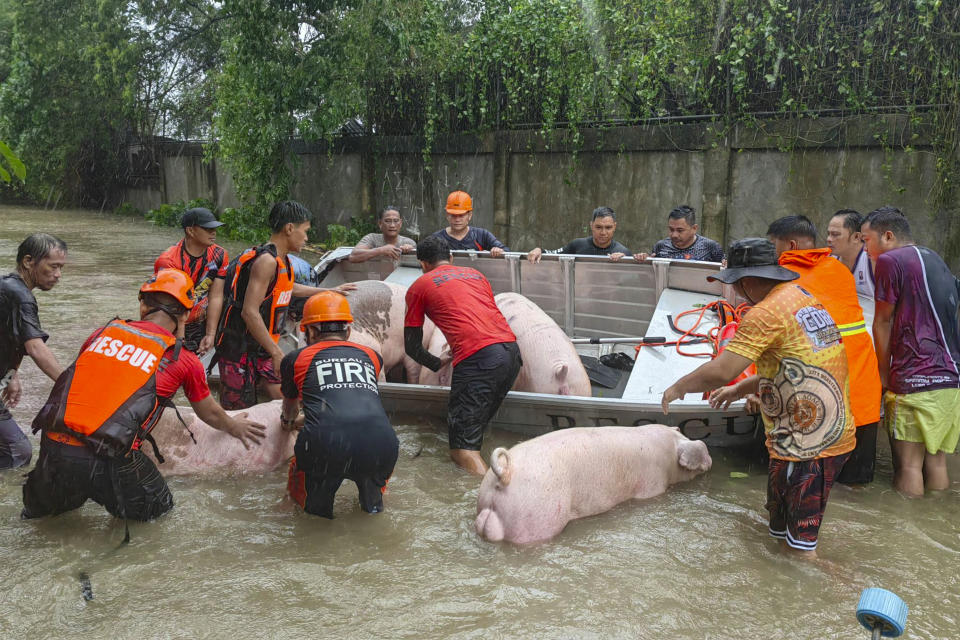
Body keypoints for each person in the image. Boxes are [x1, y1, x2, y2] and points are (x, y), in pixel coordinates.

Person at [663, 238, 855, 558]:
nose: (736, 293)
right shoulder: (802, 297)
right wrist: (741, 390)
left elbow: (723, 369)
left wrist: (679, 386)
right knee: (779, 535)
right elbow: (793, 365)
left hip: (810, 446)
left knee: (800, 553)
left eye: (736, 285)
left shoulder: (765, 313)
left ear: (749, 281)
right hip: (807, 434)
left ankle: (836, 590)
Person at [22, 269, 265, 521]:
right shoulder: (182, 359)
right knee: (157, 513)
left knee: (43, 519)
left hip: (52, 446)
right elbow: (209, 412)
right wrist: (235, 427)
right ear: (186, 315)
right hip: (107, 457)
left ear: (142, 305)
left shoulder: (102, 334)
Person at [766, 215, 882, 485]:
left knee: (807, 487)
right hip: (863, 397)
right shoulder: (840, 270)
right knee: (855, 488)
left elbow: (768, 341)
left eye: (772, 246)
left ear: (790, 245)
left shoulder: (784, 279)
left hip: (820, 404)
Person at [213, 201, 355, 410]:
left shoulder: (282, 261)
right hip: (239, 351)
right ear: (289, 228)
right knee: (239, 416)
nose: (307, 238)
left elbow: (288, 288)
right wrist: (277, 353)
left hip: (262, 349)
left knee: (288, 399)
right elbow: (249, 312)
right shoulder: (266, 261)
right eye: (305, 231)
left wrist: (328, 291)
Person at [862, 206, 960, 497]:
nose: (866, 249)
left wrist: (882, 373)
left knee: (908, 466)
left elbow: (881, 320)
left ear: (887, 235)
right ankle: (932, 517)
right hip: (950, 381)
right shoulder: (935, 258)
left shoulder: (891, 260)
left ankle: (904, 529)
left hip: (914, 379)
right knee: (937, 461)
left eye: (867, 240)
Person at [404, 235, 521, 475]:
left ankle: (488, 501)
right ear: (451, 257)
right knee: (475, 431)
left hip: (479, 360)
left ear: (422, 264)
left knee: (462, 450)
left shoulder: (420, 286)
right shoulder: (475, 274)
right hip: (511, 352)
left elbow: (411, 347)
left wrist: (436, 363)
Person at [280, 291, 399, 518]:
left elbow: (291, 409)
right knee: (372, 513)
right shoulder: (372, 356)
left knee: (308, 514)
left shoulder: (295, 359)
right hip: (381, 443)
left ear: (311, 331)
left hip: (325, 444)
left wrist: (288, 423)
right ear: (348, 330)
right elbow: (351, 397)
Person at [1, 233, 67, 470]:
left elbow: (6, 338)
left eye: (61, 268)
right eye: (53, 266)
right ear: (29, 261)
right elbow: (35, 347)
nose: (58, 275)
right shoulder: (20, 297)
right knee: (17, 452)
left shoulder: (7, 287)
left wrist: (10, 375)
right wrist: (70, 384)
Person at [154, 207, 229, 354]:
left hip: (198, 321)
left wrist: (210, 334)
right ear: (190, 231)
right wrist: (180, 339)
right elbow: (166, 306)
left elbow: (216, 296)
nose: (213, 232)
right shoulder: (168, 261)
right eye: (208, 229)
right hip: (170, 322)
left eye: (214, 228)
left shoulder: (220, 255)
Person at [526, 206, 631, 263]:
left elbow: (635, 282)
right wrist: (539, 250)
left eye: (608, 228)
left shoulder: (623, 252)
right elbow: (552, 254)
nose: (603, 232)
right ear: (591, 225)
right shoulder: (577, 245)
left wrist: (625, 261)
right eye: (598, 227)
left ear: (615, 227)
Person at [430, 190, 509, 256]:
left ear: (469, 215)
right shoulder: (436, 239)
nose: (457, 220)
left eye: (461, 215)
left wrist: (498, 251)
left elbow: (507, 252)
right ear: (447, 215)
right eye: (454, 215)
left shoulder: (481, 235)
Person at [634, 205, 725, 262]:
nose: (674, 235)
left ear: (694, 228)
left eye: (680, 230)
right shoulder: (660, 246)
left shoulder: (711, 247)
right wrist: (644, 260)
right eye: (671, 229)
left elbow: (723, 275)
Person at [826, 209, 874, 298]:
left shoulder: (872, 261)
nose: (828, 239)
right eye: (828, 234)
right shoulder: (828, 260)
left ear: (856, 237)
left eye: (835, 234)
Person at [348, 205, 417, 263]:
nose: (392, 225)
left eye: (396, 221)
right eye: (387, 221)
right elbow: (353, 256)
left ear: (401, 223)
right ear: (380, 223)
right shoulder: (371, 238)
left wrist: (410, 251)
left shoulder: (408, 242)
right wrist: (381, 250)